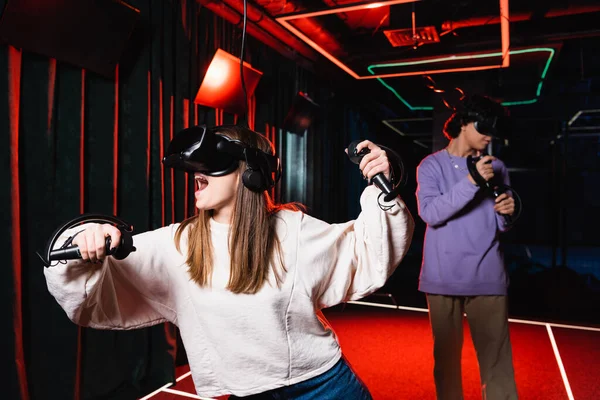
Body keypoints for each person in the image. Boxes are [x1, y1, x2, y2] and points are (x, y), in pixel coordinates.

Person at [44, 124, 414, 399]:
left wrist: (384, 179)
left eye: (215, 163)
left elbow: (369, 251)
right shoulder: (178, 245)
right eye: (196, 166)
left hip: (322, 386)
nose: (197, 174)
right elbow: (91, 299)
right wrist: (84, 241)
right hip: (245, 394)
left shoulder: (294, 231)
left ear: (250, 173)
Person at [415, 95, 518, 400]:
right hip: (443, 276)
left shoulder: (496, 166)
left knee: (497, 365)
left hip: (487, 274)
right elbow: (430, 213)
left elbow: (501, 224)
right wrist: (472, 182)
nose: (489, 135)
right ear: (463, 123)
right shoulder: (431, 166)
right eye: (483, 127)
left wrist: (507, 213)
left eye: (493, 130)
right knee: (446, 362)